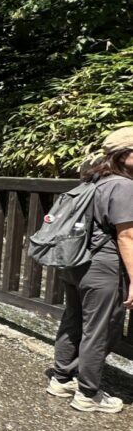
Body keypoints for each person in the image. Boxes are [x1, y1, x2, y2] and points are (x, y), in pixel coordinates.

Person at [46, 127, 133, 414]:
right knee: (101, 329)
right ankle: (88, 393)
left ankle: (62, 379)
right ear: (124, 155)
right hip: (103, 266)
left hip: (76, 261)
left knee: (73, 320)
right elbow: (127, 237)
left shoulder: (92, 181)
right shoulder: (123, 187)